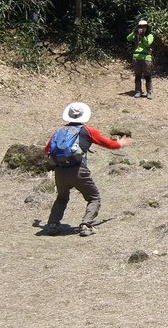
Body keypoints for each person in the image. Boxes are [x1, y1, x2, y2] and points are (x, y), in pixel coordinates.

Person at [40, 102, 131, 237]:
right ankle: (86, 225)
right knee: (94, 197)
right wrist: (120, 143)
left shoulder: (59, 131)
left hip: (60, 171)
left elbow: (46, 150)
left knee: (61, 198)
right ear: (84, 116)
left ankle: (53, 224)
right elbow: (110, 145)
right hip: (78, 171)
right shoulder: (88, 131)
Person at [126, 19, 154, 99]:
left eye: (144, 27)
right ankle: (138, 91)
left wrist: (142, 36)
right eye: (140, 27)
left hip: (146, 58)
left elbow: (147, 43)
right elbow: (128, 38)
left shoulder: (150, 36)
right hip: (136, 57)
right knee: (138, 75)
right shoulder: (136, 35)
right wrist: (134, 32)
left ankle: (149, 92)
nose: (142, 28)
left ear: (147, 27)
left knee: (147, 75)